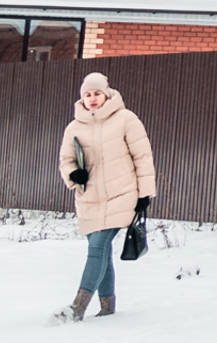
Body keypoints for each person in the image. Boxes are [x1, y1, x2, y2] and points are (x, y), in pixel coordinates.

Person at [58, 70, 157, 320]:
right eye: (87, 94)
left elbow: (142, 157)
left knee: (98, 245)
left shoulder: (125, 119)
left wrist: (144, 194)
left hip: (121, 194)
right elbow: (65, 160)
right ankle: (107, 308)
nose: (92, 98)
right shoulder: (74, 126)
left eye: (97, 93)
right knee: (99, 249)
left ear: (107, 94)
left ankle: (77, 308)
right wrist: (73, 174)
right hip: (89, 198)